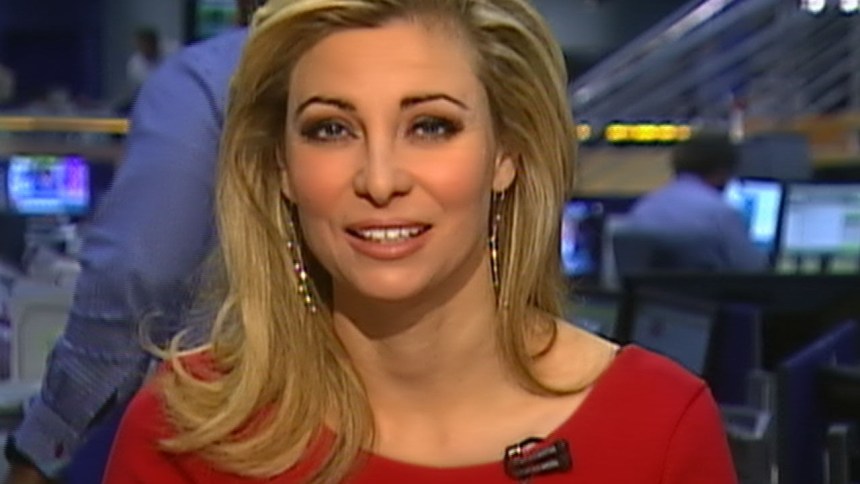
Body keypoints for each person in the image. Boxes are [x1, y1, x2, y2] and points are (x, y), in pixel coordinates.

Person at [105, 0, 737, 482]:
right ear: (283, 168)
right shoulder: (189, 430)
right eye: (331, 129)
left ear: (506, 153)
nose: (380, 180)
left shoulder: (657, 426)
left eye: (430, 126)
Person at [3, 2, 259, 482]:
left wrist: (40, 447)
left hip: (215, 443)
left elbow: (134, 275)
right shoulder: (410, 59)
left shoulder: (210, 81)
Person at [622, 132, 768, 272]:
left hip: (651, 290)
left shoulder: (643, 208)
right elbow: (754, 269)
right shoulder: (720, 213)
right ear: (722, 171)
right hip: (708, 290)